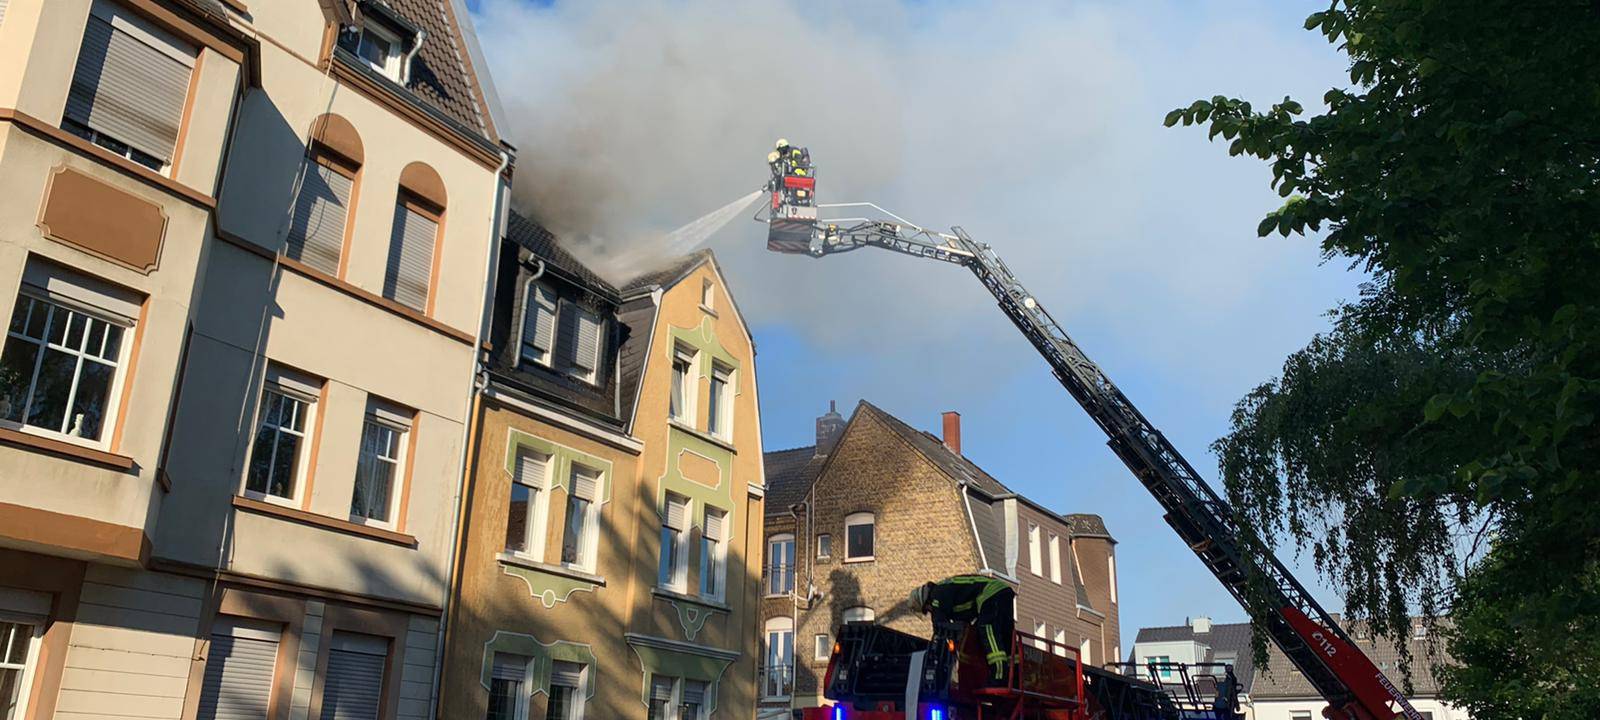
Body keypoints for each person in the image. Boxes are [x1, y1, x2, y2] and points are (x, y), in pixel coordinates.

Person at [909, 574, 1016, 685]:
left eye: (927, 610)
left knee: (987, 630)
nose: (930, 612)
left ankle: (999, 677)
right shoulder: (947, 592)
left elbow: (939, 627)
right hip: (1002, 591)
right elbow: (964, 625)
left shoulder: (937, 595)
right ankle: (1014, 675)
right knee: (1006, 637)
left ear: (926, 602)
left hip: (991, 593)